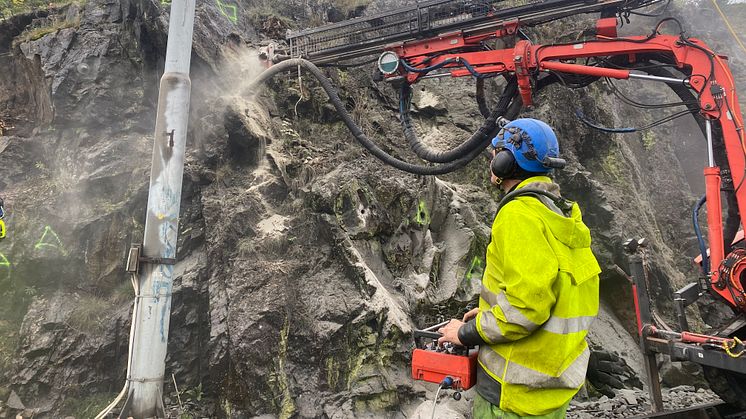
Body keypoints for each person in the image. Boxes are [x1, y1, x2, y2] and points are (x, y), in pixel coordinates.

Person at [437, 118, 601, 418]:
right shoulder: (559, 213)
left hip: (514, 391)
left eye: (495, 155)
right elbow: (548, 289)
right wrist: (490, 310)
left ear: (504, 164)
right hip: (552, 384)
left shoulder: (518, 216)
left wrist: (466, 333)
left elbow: (526, 309)